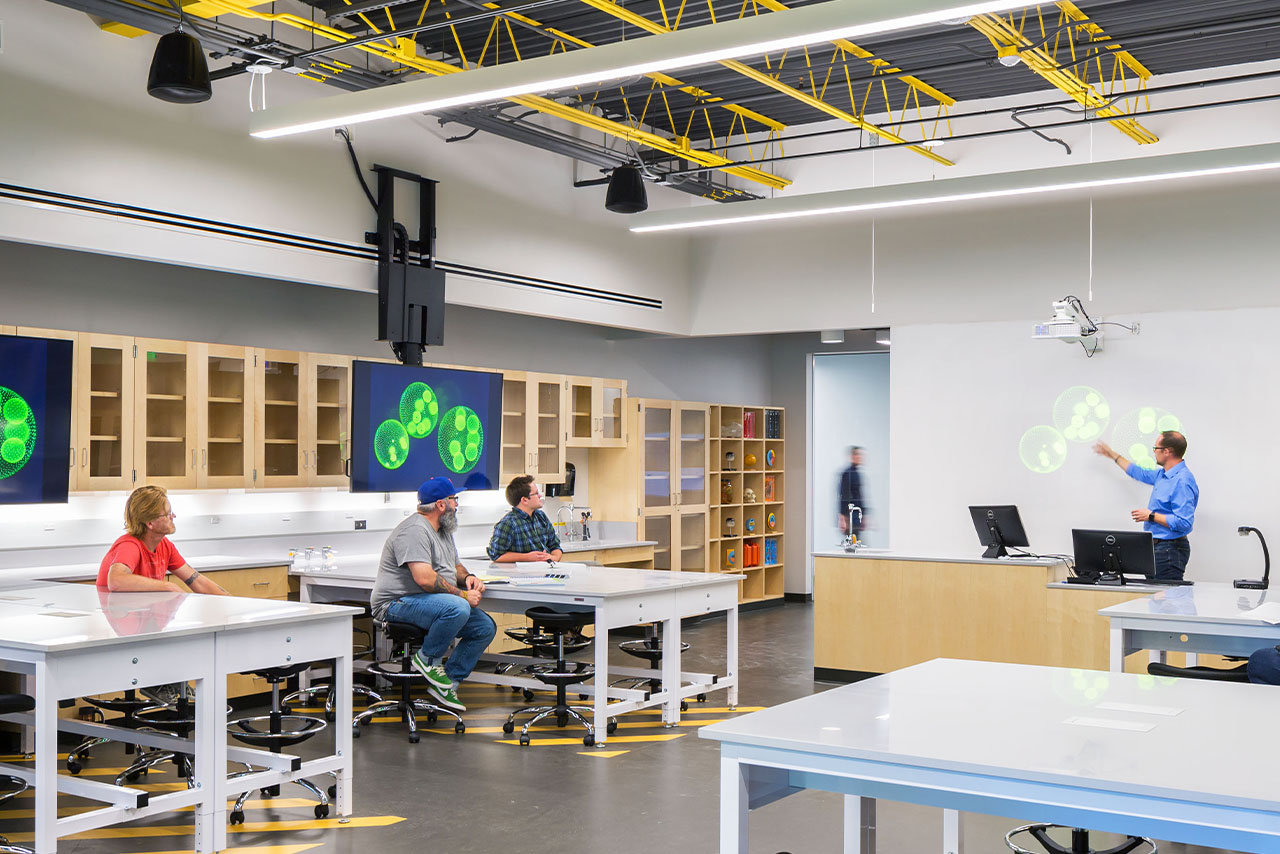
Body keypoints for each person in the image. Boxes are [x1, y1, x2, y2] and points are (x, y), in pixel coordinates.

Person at [370, 477, 496, 713]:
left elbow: (454, 566)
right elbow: (424, 579)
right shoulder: (414, 531)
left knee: (484, 627)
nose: (457, 505)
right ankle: (427, 658)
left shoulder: (443, 530)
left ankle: (447, 683)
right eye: (454, 500)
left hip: (427, 603)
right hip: (395, 604)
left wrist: (468, 578)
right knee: (458, 607)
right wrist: (462, 595)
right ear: (441, 504)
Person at [97, 485, 228, 705]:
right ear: (150, 523)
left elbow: (195, 580)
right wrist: (167, 587)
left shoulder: (164, 545)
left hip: (149, 630)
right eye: (167, 513)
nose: (173, 516)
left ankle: (173, 682)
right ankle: (157, 682)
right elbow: (116, 580)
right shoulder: (129, 545)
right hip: (126, 636)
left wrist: (231, 603)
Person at [1093, 431, 1198, 581]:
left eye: (1156, 448)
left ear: (1167, 451)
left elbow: (1184, 522)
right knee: (1157, 601)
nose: (1154, 452)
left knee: (1168, 602)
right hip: (1156, 549)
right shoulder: (1162, 475)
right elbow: (1138, 473)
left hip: (1169, 551)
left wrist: (1151, 516)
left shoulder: (1182, 481)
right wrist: (1112, 454)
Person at [487, 475, 564, 563]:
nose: (540, 496)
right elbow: (496, 555)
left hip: (546, 572)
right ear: (524, 500)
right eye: (536, 493)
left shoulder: (541, 516)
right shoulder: (508, 524)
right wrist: (527, 557)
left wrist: (553, 558)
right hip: (521, 575)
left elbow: (555, 546)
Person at [836, 446, 868, 535]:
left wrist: (864, 516)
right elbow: (843, 495)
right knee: (852, 544)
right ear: (852, 456)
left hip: (856, 518)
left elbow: (859, 496)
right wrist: (842, 518)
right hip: (849, 518)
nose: (860, 457)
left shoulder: (856, 474)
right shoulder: (847, 474)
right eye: (858, 455)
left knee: (856, 543)